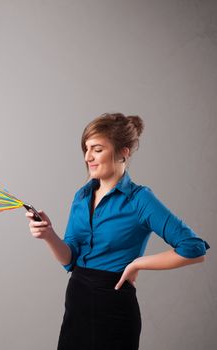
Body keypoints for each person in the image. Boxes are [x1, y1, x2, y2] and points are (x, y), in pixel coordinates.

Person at [25, 113, 210, 350]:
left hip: (114, 308)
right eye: (86, 148)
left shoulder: (139, 199)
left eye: (97, 149)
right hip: (77, 301)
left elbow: (194, 249)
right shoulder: (81, 196)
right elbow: (69, 260)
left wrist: (138, 264)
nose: (88, 157)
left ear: (124, 152)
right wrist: (48, 235)